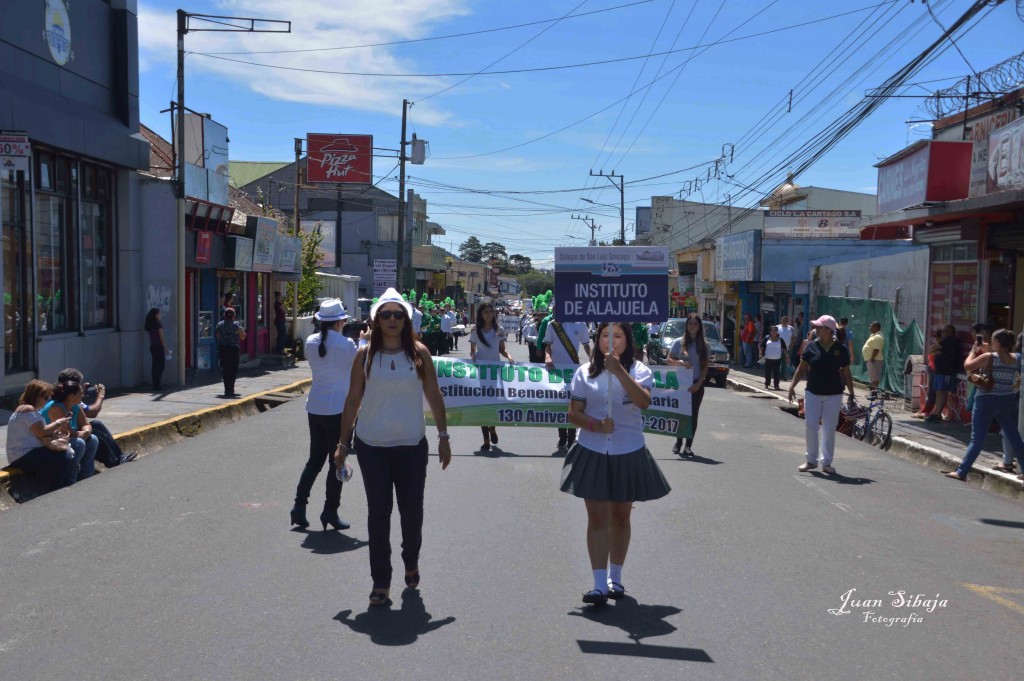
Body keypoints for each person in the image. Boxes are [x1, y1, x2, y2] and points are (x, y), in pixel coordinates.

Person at [333, 288, 452, 607]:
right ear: (376, 319)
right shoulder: (364, 355)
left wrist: (443, 437)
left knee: (411, 513)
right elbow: (353, 399)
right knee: (378, 514)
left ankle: (410, 561)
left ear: (406, 320)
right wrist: (342, 443)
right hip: (372, 447)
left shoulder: (419, 353)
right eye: (385, 314)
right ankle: (380, 580)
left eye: (398, 315)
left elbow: (434, 395)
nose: (392, 320)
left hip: (412, 446)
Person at [560, 321, 671, 606]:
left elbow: (643, 401)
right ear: (597, 340)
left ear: (627, 341)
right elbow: (574, 413)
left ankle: (615, 579)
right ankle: (598, 584)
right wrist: (596, 425)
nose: (611, 341)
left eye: (618, 336)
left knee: (621, 516)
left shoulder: (640, 370)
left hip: (628, 449)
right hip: (592, 448)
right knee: (597, 518)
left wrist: (619, 371)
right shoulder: (584, 372)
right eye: (605, 335)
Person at [291, 299, 358, 531]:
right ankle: (330, 510)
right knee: (337, 461)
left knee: (315, 460)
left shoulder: (311, 341)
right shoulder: (347, 344)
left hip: (316, 407)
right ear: (340, 322)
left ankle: (299, 506)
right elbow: (360, 363)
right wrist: (365, 340)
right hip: (339, 410)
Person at [943, 329, 1024, 481]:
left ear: (997, 342)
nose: (991, 342)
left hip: (986, 400)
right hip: (1007, 399)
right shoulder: (1017, 358)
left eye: (992, 340)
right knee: (1014, 437)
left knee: (977, 439)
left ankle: (961, 471)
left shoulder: (988, 357)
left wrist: (973, 352)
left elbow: (968, 366)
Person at [787, 315, 854, 476]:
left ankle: (826, 462)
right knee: (811, 425)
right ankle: (811, 460)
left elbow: (846, 373)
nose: (816, 329)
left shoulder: (840, 349)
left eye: (819, 327)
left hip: (833, 394)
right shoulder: (811, 347)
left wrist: (851, 392)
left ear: (829, 330)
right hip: (813, 392)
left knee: (829, 428)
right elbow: (801, 368)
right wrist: (792, 386)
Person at [55, 368, 137, 468]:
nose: (81, 386)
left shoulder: (73, 398)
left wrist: (86, 430)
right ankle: (114, 460)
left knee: (96, 426)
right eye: (78, 384)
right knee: (96, 434)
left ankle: (118, 457)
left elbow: (84, 421)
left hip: (73, 429)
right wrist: (100, 396)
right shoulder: (62, 401)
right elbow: (92, 412)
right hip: (62, 434)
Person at [5, 380, 76, 492]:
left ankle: (63, 485)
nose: (47, 401)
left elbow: (39, 431)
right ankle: (55, 490)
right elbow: (41, 431)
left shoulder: (29, 409)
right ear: (36, 396)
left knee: (67, 452)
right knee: (64, 456)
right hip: (23, 455)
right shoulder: (27, 409)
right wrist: (59, 423)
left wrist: (55, 433)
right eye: (45, 397)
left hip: (26, 453)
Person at [469, 302, 515, 452]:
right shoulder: (475, 330)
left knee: (493, 402)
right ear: (481, 314)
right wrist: (473, 356)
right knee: (482, 404)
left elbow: (502, 349)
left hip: (495, 371)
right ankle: (486, 440)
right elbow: (472, 350)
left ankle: (493, 428)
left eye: (491, 311)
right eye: (486, 312)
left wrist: (509, 356)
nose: (489, 314)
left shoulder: (499, 330)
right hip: (481, 372)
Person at [545, 315, 593, 450]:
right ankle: (562, 437)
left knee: (573, 404)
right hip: (557, 370)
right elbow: (548, 345)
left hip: (573, 370)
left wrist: (593, 360)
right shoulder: (553, 324)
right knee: (560, 404)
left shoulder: (581, 324)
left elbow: (586, 345)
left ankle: (572, 438)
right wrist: (547, 357)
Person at [42, 377, 99, 483]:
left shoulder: (76, 405)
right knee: (78, 443)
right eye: (80, 393)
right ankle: (70, 478)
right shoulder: (56, 408)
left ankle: (87, 475)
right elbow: (66, 433)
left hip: (67, 436)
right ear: (72, 396)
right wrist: (81, 434)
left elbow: (85, 424)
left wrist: (86, 431)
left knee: (93, 439)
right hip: (51, 441)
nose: (82, 395)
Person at [667, 314, 708, 457]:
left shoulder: (704, 345)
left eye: (695, 323)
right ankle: (678, 442)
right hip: (680, 384)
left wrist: (698, 384)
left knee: (693, 415)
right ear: (686, 325)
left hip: (696, 384)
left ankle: (688, 445)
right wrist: (681, 363)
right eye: (690, 323)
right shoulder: (678, 342)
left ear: (699, 326)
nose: (692, 326)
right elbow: (669, 360)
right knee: (679, 413)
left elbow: (705, 367)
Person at [926, 324, 962, 423]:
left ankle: (938, 414)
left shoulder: (951, 341)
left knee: (942, 392)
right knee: (938, 392)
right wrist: (936, 352)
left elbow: (933, 348)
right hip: (939, 371)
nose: (942, 333)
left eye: (945, 331)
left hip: (946, 371)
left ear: (951, 332)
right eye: (942, 331)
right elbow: (931, 350)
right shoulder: (944, 341)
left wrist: (936, 350)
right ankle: (935, 412)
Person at [215, 307, 246, 398]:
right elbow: (243, 337)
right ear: (234, 316)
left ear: (224, 316)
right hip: (233, 349)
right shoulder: (236, 325)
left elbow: (218, 337)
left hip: (223, 349)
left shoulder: (220, 324)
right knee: (233, 370)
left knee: (225, 369)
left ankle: (227, 390)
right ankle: (231, 390)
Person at [144, 308, 167, 391]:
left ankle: (155, 384)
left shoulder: (150, 325)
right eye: (159, 314)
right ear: (156, 315)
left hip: (153, 346)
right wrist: (165, 348)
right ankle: (158, 384)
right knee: (161, 365)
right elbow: (161, 337)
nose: (161, 315)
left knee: (155, 366)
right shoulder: (158, 324)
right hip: (159, 347)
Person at [760, 325, 787, 390]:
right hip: (768, 358)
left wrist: (787, 356)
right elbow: (761, 346)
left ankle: (776, 385)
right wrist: (760, 354)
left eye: (775, 330)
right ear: (770, 331)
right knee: (768, 372)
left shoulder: (780, 339)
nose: (774, 332)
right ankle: (767, 384)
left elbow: (784, 348)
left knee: (777, 372)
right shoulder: (766, 338)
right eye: (773, 330)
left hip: (777, 359)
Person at [862, 321, 884, 390]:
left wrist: (872, 358)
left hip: (875, 360)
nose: (869, 328)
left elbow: (876, 349)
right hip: (872, 359)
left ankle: (874, 392)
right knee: (873, 377)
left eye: (871, 326)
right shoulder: (873, 335)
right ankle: (873, 392)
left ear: (876, 327)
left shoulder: (877, 337)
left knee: (875, 378)